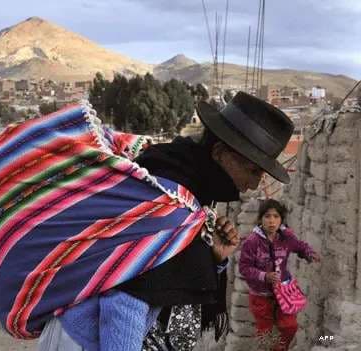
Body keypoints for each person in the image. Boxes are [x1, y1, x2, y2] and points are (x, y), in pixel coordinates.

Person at [37, 91, 296, 351]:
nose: (252, 184)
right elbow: (125, 299)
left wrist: (212, 258)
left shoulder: (191, 185)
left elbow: (170, 277)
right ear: (219, 153)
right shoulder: (169, 197)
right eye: (252, 171)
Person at [239, 199, 319, 351]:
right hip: (260, 295)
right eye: (267, 216)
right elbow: (244, 267)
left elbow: (299, 246)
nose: (271, 221)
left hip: (283, 293)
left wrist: (308, 253)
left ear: (281, 219)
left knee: (290, 326)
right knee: (266, 334)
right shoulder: (252, 242)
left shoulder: (286, 237)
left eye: (276, 216)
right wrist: (264, 276)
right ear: (260, 219)